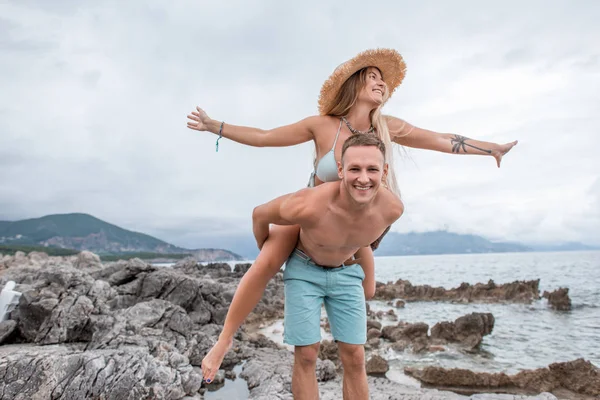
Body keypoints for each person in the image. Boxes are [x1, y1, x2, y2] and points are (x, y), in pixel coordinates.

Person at [186, 48, 518, 383]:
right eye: (372, 77)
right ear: (355, 84)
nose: (380, 83)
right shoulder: (322, 126)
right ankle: (224, 340)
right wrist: (216, 126)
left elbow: (441, 139)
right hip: (313, 217)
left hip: (355, 225)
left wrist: (490, 148)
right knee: (266, 263)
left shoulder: (387, 127)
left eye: (382, 80)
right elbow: (265, 137)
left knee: (365, 302)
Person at [253, 133, 404, 399]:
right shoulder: (308, 204)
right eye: (355, 168)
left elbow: (363, 238)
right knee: (307, 353)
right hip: (304, 271)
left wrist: (367, 276)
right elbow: (260, 213)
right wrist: (266, 247)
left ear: (385, 171)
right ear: (340, 170)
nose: (364, 178)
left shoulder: (392, 209)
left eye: (372, 169)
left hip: (346, 274)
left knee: (356, 356)